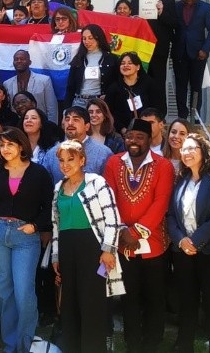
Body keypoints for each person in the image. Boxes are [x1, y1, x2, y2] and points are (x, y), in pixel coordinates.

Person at [102, 118, 175, 353]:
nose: (133, 141)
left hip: (154, 243)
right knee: (129, 296)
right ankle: (133, 343)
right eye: (130, 137)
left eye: (139, 137)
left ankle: (152, 342)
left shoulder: (163, 165)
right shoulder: (113, 163)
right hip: (123, 243)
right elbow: (109, 199)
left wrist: (137, 232)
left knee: (155, 296)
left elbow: (161, 203)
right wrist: (122, 231)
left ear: (148, 139)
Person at [0, 127, 52, 353]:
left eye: (10, 144)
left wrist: (35, 226)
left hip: (25, 236)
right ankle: (10, 344)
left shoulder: (39, 173)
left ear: (21, 146)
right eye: (2, 145)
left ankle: (25, 343)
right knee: (2, 291)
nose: (5, 148)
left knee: (24, 290)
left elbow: (49, 205)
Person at [49, 140, 124, 353]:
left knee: (92, 302)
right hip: (67, 250)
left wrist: (108, 249)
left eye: (70, 159)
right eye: (61, 160)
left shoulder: (96, 183)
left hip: (93, 251)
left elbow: (112, 218)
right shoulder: (58, 188)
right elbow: (56, 224)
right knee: (69, 303)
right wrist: (56, 255)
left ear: (82, 160)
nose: (65, 164)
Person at [167, 134, 210, 353]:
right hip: (184, 253)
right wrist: (181, 240)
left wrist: (194, 241)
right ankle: (184, 346)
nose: (186, 153)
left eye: (191, 148)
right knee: (186, 302)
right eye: (183, 150)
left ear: (204, 150)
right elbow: (171, 217)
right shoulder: (181, 181)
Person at [130, 0, 178, 117]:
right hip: (139, 49)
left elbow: (175, 24)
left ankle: (159, 116)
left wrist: (162, 12)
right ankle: (140, 114)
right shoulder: (135, 1)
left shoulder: (168, 1)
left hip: (159, 49)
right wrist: (133, 19)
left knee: (158, 82)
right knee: (139, 82)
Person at [173, 0, 210, 119]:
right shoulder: (175, 7)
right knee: (180, 86)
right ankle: (182, 116)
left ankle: (195, 116)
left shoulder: (206, 8)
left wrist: (205, 49)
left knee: (196, 87)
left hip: (198, 54)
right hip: (179, 53)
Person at [42, 106, 113, 183]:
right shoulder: (52, 154)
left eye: (76, 120)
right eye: (67, 119)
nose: (70, 123)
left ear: (87, 126)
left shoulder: (103, 153)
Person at [64, 24, 119, 110]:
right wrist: (66, 109)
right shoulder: (78, 58)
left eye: (90, 38)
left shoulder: (111, 58)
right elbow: (70, 86)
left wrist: (108, 95)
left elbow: (117, 82)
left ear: (98, 38)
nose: (86, 41)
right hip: (79, 102)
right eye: (84, 38)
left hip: (99, 103)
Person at [105, 52, 158, 134]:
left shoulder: (149, 84)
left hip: (146, 132)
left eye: (130, 63)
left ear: (138, 67)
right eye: (122, 63)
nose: (125, 65)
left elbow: (156, 108)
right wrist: (122, 129)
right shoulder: (113, 88)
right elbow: (108, 113)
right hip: (121, 133)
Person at [3, 50, 58, 122]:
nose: (19, 61)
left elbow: (52, 108)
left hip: (41, 126)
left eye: (22, 59)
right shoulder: (7, 84)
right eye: (16, 59)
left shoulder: (44, 81)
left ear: (30, 62)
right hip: (17, 127)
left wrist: (52, 129)